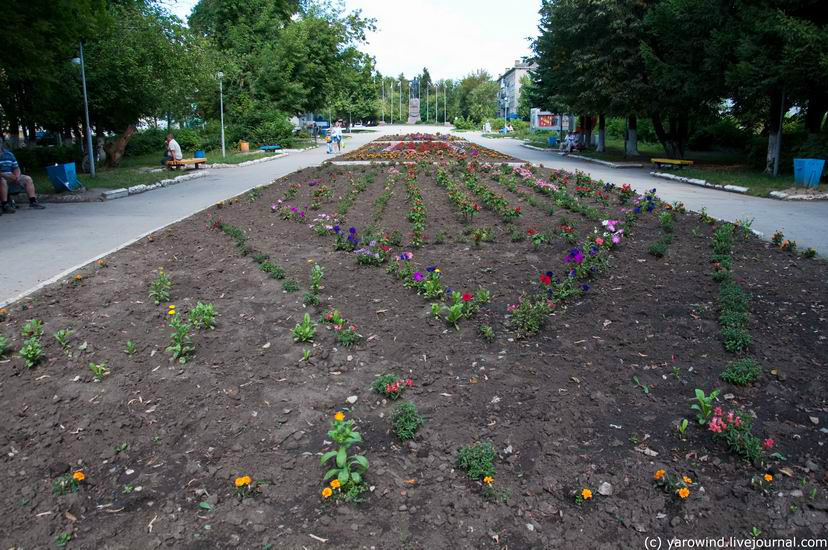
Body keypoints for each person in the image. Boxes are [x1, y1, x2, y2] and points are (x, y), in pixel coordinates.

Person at [0, 140, 45, 212]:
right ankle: (5, 205)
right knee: (3, 180)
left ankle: (33, 202)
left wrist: (17, 177)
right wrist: (4, 175)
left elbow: (16, 168)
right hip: (2, 178)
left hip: (11, 177)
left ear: (1, 144)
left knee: (27, 179)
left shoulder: (9, 154)